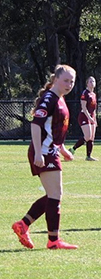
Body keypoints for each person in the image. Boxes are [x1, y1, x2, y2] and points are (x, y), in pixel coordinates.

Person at [11, 64, 78, 250]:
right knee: (56, 195)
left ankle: (23, 225)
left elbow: (54, 128)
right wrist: (39, 152)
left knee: (53, 195)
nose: (69, 84)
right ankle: (53, 240)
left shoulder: (60, 98)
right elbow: (36, 125)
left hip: (51, 151)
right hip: (44, 152)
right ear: (55, 79)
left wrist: (62, 149)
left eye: (72, 81)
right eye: (66, 80)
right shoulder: (50, 98)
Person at [69, 76, 98, 161]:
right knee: (88, 136)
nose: (92, 83)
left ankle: (88, 156)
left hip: (91, 117)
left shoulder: (94, 94)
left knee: (91, 137)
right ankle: (73, 149)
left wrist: (94, 119)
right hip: (84, 116)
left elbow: (94, 109)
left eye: (93, 81)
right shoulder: (85, 93)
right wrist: (89, 118)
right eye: (90, 81)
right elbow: (84, 107)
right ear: (87, 83)